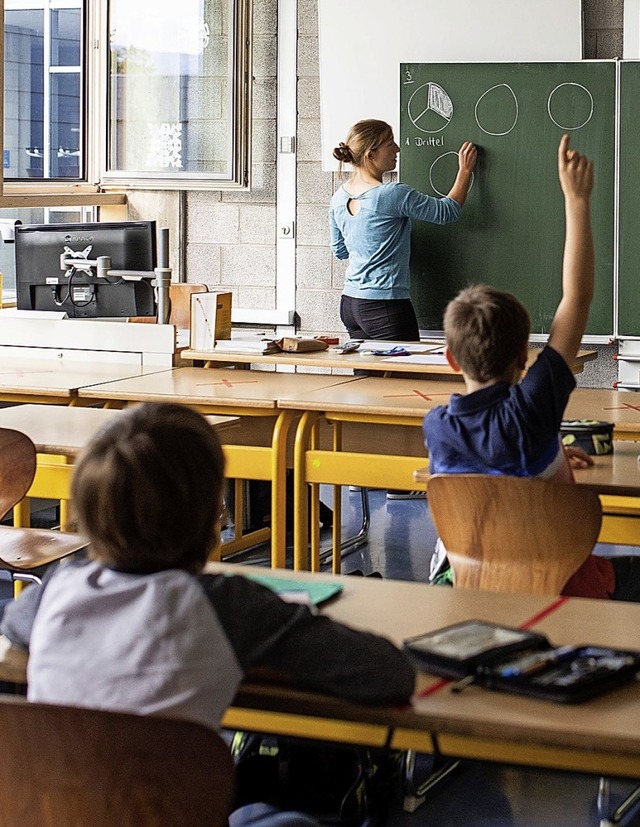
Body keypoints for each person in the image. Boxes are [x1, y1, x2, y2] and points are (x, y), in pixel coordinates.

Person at [0, 402, 415, 719]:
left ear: (89, 512)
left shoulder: (57, 590)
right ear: (211, 516)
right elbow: (388, 675)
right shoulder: (230, 607)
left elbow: (15, 626)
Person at [422, 133, 640, 602]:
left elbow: (497, 466)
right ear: (525, 356)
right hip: (556, 583)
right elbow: (576, 298)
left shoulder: (437, 426)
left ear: (451, 358)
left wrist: (553, 457)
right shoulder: (531, 412)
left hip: (463, 583)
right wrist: (576, 200)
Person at [329, 118, 477, 343]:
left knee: (365, 378)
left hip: (351, 304)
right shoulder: (391, 194)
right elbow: (447, 212)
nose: (397, 149)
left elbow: (340, 251)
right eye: (390, 144)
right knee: (403, 376)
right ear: (371, 154)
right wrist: (465, 171)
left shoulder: (338, 198)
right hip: (385, 307)